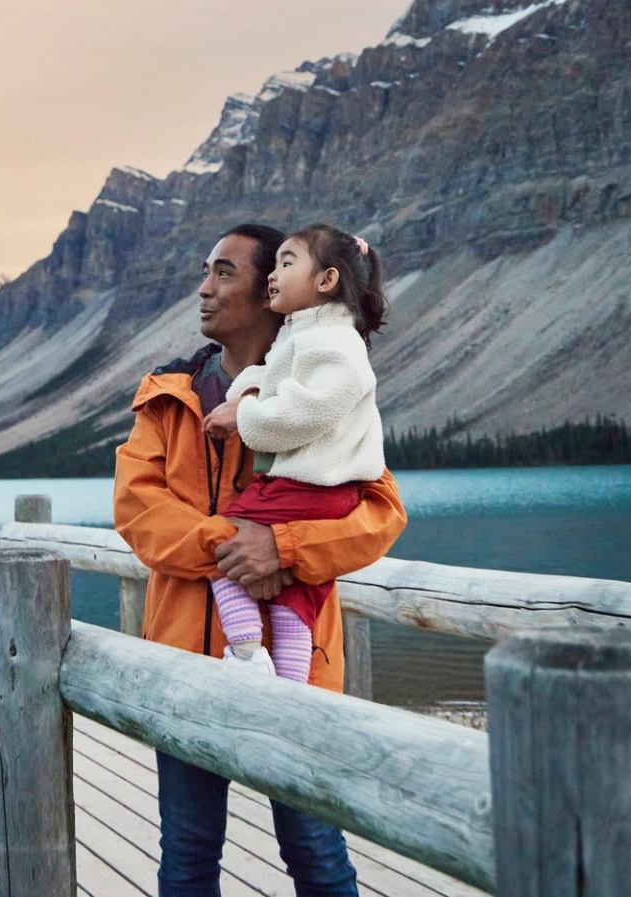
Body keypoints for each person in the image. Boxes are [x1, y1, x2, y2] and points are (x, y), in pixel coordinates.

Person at [112, 223, 407, 897]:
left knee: (315, 849)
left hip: (300, 669)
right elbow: (138, 511)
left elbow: (382, 513)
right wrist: (236, 549)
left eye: (223, 272)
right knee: (187, 855)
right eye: (205, 270)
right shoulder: (167, 397)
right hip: (185, 662)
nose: (203, 287)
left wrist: (285, 547)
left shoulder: (322, 386)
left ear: (270, 289)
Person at [200, 222, 389, 683]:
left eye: (286, 265)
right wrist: (243, 398)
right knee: (295, 606)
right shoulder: (303, 336)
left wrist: (279, 547)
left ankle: (245, 653)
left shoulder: (333, 342)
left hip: (305, 489)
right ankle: (290, 687)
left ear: (325, 281)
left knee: (222, 542)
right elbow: (272, 375)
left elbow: (309, 408)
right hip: (314, 495)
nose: (204, 289)